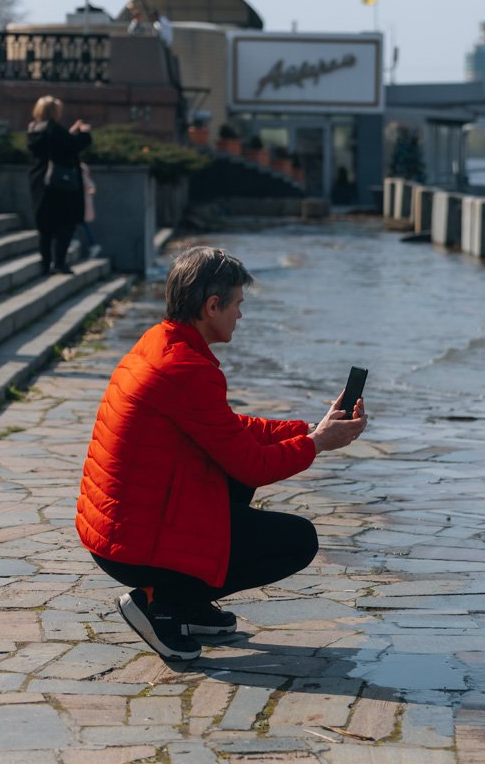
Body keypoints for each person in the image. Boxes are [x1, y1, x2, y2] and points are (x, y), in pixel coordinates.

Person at [75, 246, 368, 661]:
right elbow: (252, 465)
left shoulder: (161, 342)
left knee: (232, 476)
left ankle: (188, 603)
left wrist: (307, 429)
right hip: (129, 545)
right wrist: (318, 443)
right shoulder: (186, 370)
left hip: (116, 528)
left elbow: (228, 429)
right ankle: (163, 605)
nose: (240, 316)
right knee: (298, 540)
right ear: (212, 306)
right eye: (237, 305)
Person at [26, 96, 91, 276]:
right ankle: (60, 262)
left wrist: (70, 133)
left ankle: (45, 264)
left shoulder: (33, 129)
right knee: (65, 223)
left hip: (39, 183)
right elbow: (72, 145)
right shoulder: (54, 130)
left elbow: (59, 145)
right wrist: (83, 133)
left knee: (45, 227)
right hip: (60, 185)